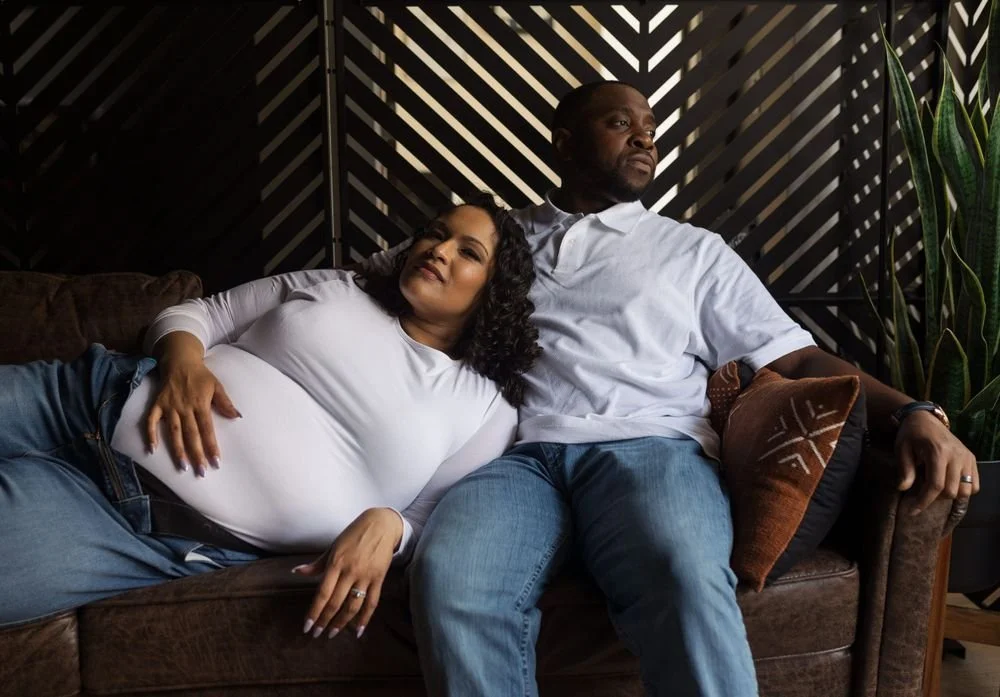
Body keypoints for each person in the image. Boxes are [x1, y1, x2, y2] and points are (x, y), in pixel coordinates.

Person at [364, 82, 980, 696]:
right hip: (519, 460)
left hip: (653, 449)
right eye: (620, 123)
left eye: (651, 129)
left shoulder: (692, 251)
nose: (644, 139)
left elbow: (795, 357)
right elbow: (375, 280)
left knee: (683, 575)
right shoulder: (496, 240)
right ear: (565, 142)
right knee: (453, 579)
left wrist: (914, 412)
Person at [0, 193, 541, 642]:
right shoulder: (339, 286)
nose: (439, 250)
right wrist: (183, 362)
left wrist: (391, 525)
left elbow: (431, 523)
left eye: (467, 252)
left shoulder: (487, 408)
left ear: (493, 291)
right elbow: (199, 313)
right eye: (436, 234)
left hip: (130, 526)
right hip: (87, 397)